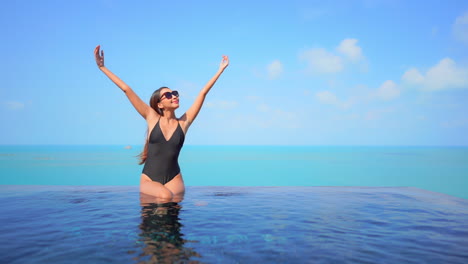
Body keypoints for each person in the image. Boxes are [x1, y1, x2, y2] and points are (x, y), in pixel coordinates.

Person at [94, 45, 229, 202]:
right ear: (159, 104)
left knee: (173, 216)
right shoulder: (152, 118)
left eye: (175, 93)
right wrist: (102, 67)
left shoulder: (184, 123)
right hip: (150, 179)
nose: (174, 96)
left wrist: (220, 70)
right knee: (165, 196)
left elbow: (203, 93)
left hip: (175, 179)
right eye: (169, 95)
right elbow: (127, 89)